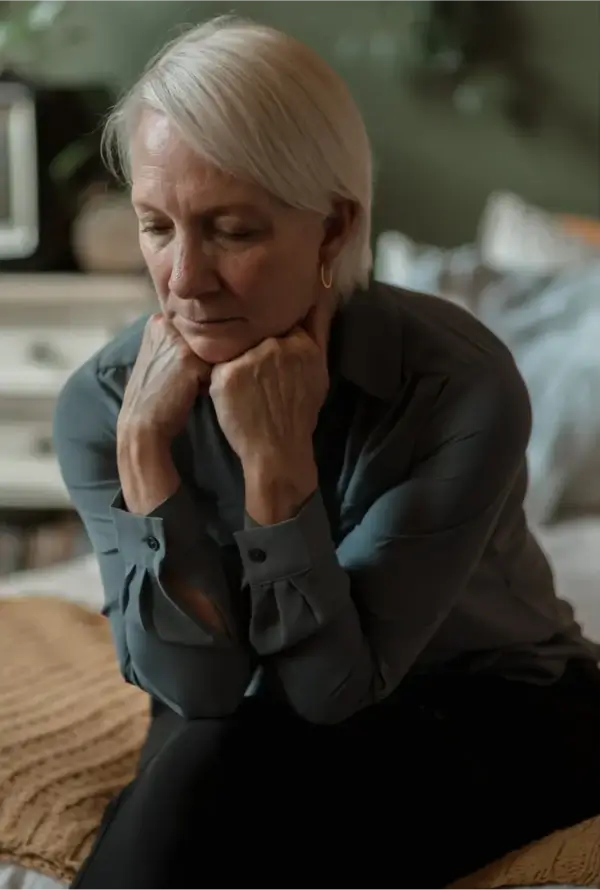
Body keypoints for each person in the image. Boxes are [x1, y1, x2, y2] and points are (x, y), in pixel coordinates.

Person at [54, 16, 600, 890]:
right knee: (204, 763)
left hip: (495, 701)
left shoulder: (456, 384)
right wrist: (146, 456)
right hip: (241, 719)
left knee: (217, 780)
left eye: (232, 230)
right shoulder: (108, 405)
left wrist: (275, 469)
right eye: (156, 226)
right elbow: (194, 689)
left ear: (334, 228)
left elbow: (329, 692)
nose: (184, 278)